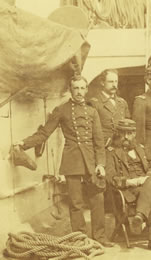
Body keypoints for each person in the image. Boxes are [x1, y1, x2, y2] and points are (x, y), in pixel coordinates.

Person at [14, 75, 113, 247]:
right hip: (72, 160)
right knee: (76, 203)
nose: (80, 92)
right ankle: (80, 239)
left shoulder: (92, 111)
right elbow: (44, 133)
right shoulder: (62, 110)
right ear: (70, 89)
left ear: (87, 89)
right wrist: (24, 143)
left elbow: (98, 141)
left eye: (82, 88)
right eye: (76, 88)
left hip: (91, 161)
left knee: (98, 198)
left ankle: (100, 237)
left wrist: (101, 164)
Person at [105, 119, 151, 252]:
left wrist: (146, 178)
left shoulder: (141, 148)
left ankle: (139, 215)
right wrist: (130, 182)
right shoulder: (111, 152)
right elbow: (110, 177)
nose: (126, 137)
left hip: (146, 185)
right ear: (118, 133)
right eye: (123, 133)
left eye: (130, 133)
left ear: (134, 134)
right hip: (127, 191)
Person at [89, 69, 130, 146]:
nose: (114, 85)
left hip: (121, 144)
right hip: (104, 145)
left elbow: (128, 126)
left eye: (116, 81)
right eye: (111, 82)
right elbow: (91, 130)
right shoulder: (94, 103)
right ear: (102, 82)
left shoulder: (122, 102)